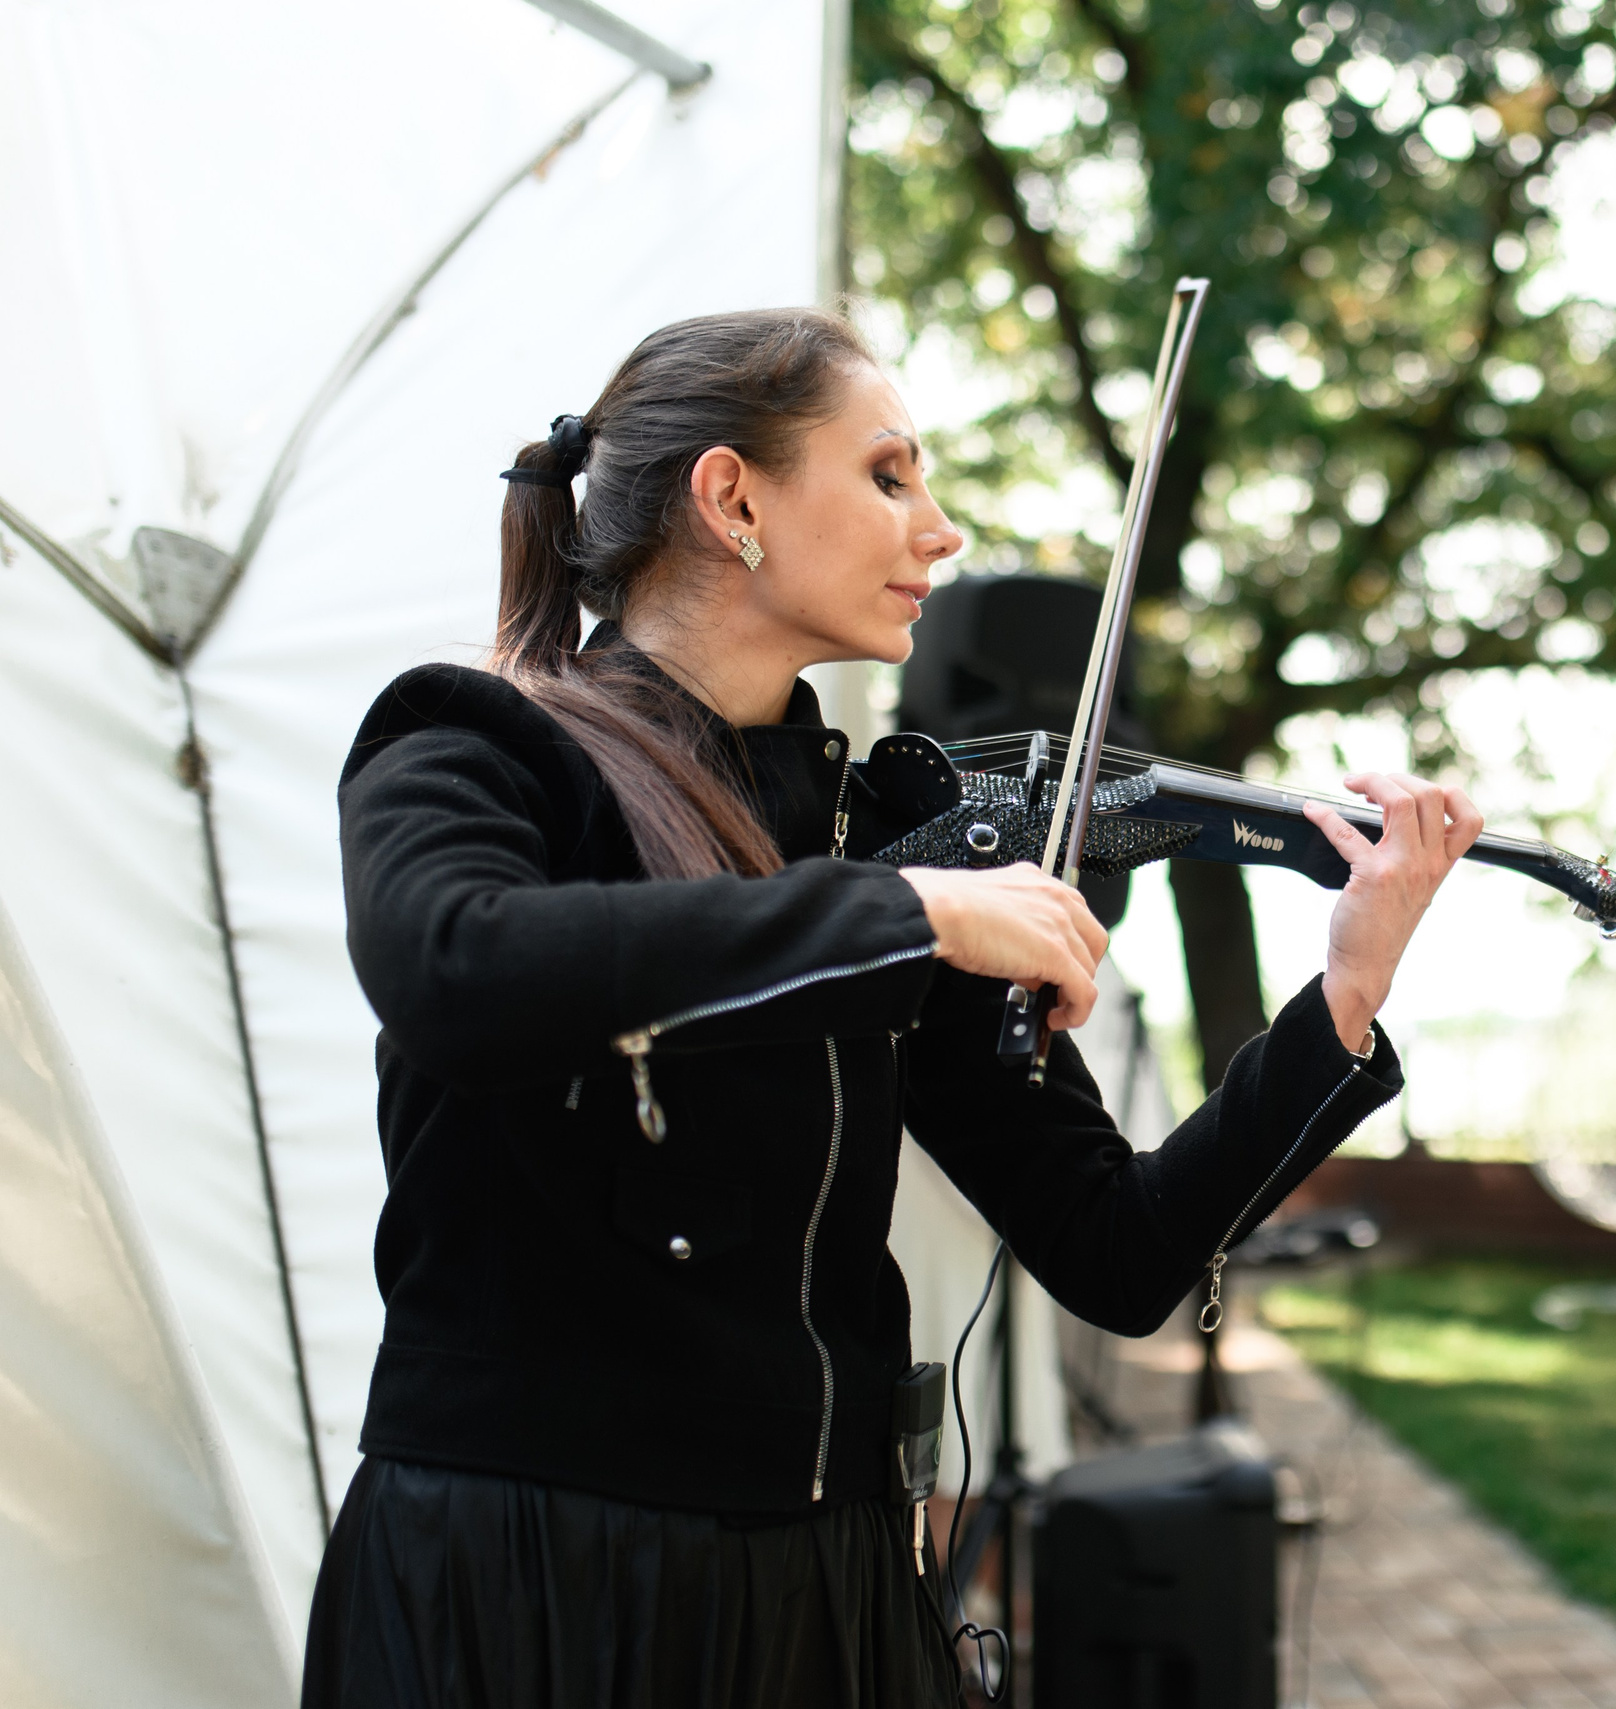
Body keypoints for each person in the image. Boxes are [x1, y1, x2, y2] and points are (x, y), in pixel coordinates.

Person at [303, 306, 1483, 1709]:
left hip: (830, 1599)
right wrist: (915, 917)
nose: (942, 528)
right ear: (733, 498)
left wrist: (1343, 995)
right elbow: (457, 964)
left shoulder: (865, 841)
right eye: (888, 475)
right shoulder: (479, 743)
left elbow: (1117, 1249)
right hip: (541, 1581)